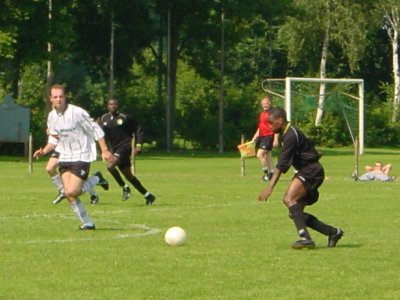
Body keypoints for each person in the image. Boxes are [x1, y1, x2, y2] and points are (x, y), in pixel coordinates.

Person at [258, 107, 343, 249]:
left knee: (288, 199)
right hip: (308, 171)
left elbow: (282, 165)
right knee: (295, 213)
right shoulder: (288, 133)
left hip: (310, 171)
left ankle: (305, 238)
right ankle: (332, 232)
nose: (270, 126)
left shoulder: (291, 135)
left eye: (271, 123)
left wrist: (270, 187)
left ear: (280, 121)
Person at [33, 84, 112, 230]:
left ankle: (96, 179)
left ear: (65, 97)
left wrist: (105, 150)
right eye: (55, 97)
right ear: (51, 99)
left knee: (71, 191)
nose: (59, 99)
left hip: (82, 155)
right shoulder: (52, 116)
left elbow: (96, 130)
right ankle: (87, 223)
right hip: (65, 156)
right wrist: (44, 151)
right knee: (69, 194)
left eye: (61, 96)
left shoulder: (77, 112)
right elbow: (54, 140)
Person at [98, 99, 156, 205]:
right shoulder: (103, 118)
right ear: (107, 106)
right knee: (128, 175)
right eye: (110, 104)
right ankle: (148, 195)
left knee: (110, 166)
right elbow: (98, 133)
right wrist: (103, 150)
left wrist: (138, 145)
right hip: (114, 149)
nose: (113, 106)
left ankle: (124, 188)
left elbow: (138, 128)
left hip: (125, 147)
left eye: (115, 104)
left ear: (118, 106)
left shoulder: (124, 117)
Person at [251, 95, 279, 181]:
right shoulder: (262, 114)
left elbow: (276, 126)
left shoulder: (273, 114)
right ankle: (272, 172)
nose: (265, 105)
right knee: (268, 155)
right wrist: (255, 137)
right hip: (263, 137)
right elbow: (260, 127)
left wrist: (276, 139)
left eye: (266, 103)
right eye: (263, 103)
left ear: (270, 103)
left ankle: (267, 173)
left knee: (260, 154)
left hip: (269, 136)